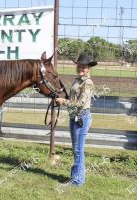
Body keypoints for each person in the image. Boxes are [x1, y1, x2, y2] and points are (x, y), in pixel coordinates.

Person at [55, 53, 97, 186]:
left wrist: (63, 101)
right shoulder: (78, 80)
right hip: (75, 117)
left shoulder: (87, 83)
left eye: (84, 67)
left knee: (78, 150)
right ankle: (77, 178)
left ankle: (77, 180)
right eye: (79, 66)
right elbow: (74, 98)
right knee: (77, 149)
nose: (81, 68)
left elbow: (80, 103)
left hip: (82, 118)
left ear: (89, 69)